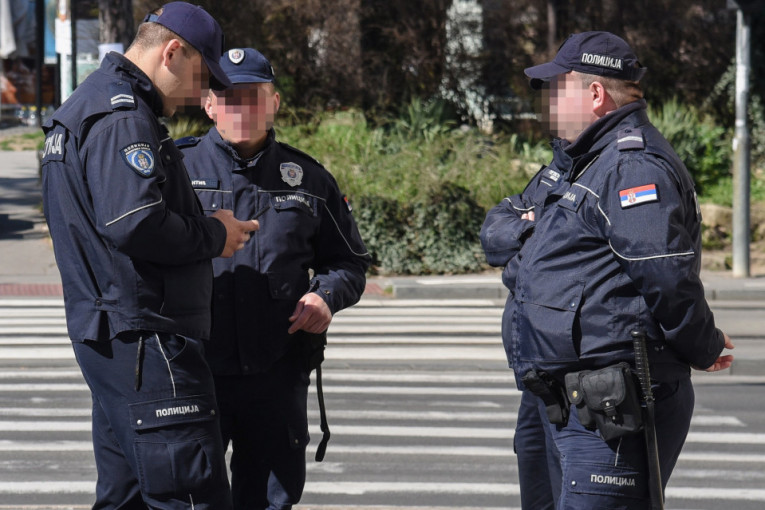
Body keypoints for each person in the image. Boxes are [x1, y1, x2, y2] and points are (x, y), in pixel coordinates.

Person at [480, 31, 735, 509]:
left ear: (595, 94)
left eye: (557, 90)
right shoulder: (576, 161)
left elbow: (665, 276)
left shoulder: (632, 167)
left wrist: (704, 346)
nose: (549, 103)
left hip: (609, 405)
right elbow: (497, 228)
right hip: (552, 396)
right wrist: (538, 241)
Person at [40, 3, 259, 508]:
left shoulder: (83, 107)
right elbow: (134, 222)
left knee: (128, 498)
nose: (201, 93)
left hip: (116, 339)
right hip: (150, 341)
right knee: (191, 495)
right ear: (172, 52)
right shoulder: (123, 118)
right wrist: (214, 234)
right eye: (202, 76)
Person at [177, 47, 370, 509]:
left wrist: (325, 297)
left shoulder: (309, 180)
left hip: (276, 372)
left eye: (255, 96)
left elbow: (349, 263)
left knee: (269, 501)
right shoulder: (176, 170)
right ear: (209, 104)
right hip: (194, 370)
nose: (242, 108)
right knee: (189, 498)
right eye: (230, 97)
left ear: (275, 103)